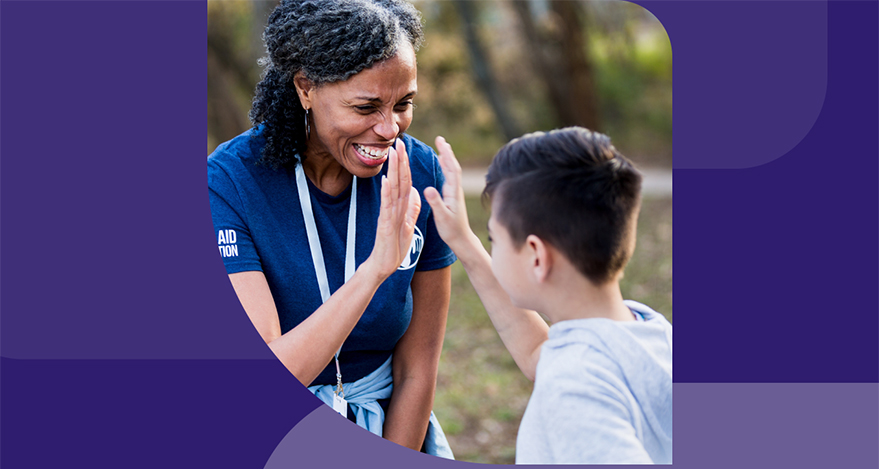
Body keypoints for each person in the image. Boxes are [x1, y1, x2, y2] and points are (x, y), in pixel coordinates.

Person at [207, 0, 455, 457]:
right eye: (366, 106)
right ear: (305, 88)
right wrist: (375, 269)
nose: (388, 129)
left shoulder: (420, 174)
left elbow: (418, 371)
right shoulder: (230, 182)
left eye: (404, 104)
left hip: (390, 429)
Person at [423, 128, 672, 464]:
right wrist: (464, 241)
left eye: (493, 239)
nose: (492, 247)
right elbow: (538, 353)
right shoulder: (648, 331)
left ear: (537, 257)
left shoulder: (573, 391)